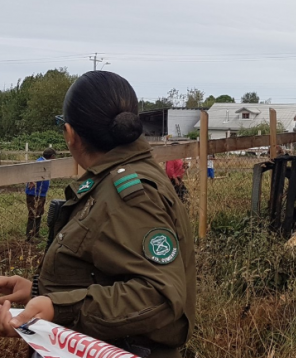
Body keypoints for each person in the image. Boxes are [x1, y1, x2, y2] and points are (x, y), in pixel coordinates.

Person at [0, 71, 196, 358]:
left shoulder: (129, 193)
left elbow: (159, 298)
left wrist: (59, 308)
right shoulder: (114, 180)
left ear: (70, 135)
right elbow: (105, 270)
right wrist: (39, 294)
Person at [24, 148, 56, 241]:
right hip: (34, 193)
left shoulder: (45, 163)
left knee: (39, 213)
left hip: (41, 193)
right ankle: (29, 236)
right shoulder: (39, 162)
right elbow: (29, 172)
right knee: (33, 214)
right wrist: (31, 179)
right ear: (52, 156)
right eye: (54, 157)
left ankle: (36, 233)